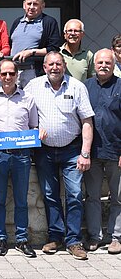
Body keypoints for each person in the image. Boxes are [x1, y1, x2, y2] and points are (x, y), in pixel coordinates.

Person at [25, 51, 94, 260]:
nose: (55, 67)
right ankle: (55, 237)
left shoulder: (77, 87)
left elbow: (87, 121)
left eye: (58, 64)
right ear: (44, 67)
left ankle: (74, 241)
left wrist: (85, 153)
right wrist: (33, 129)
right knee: (49, 194)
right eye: (51, 64)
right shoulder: (33, 86)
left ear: (64, 66)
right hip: (44, 150)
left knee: (75, 194)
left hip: (72, 149)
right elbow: (23, 114)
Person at [0, 59, 39, 258]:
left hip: (21, 155)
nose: (8, 77)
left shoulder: (28, 99)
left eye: (11, 73)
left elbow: (33, 125)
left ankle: (21, 239)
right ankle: (1, 238)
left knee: (21, 200)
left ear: (17, 75)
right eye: (4, 74)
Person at [83, 49, 121, 255]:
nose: (104, 66)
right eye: (100, 62)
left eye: (108, 62)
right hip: (93, 151)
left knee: (118, 197)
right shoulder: (86, 86)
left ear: (114, 65)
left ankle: (116, 237)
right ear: (94, 65)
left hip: (116, 151)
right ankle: (94, 236)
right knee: (92, 197)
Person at [10, 0, 62, 88]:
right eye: (29, 3)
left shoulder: (49, 22)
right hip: (14, 72)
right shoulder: (17, 22)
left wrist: (31, 52)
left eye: (35, 4)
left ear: (42, 6)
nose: (31, 7)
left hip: (33, 71)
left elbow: (53, 48)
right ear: (24, 5)